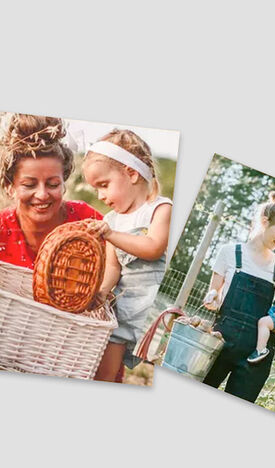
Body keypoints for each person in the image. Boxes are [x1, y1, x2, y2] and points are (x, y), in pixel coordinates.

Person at [0, 114, 107, 317]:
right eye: (29, 185)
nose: (42, 194)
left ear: (64, 183)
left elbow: (121, 264)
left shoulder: (87, 220)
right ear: (9, 187)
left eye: (53, 184)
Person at [81, 129, 172, 382]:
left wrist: (111, 235)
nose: (100, 196)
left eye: (104, 185)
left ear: (131, 173)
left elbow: (153, 247)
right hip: (122, 312)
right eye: (95, 189)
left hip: (152, 314)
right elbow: (113, 267)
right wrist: (101, 292)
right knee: (104, 375)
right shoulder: (112, 221)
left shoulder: (160, 209)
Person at [201, 191, 275, 402]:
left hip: (257, 353)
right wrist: (212, 298)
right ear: (265, 221)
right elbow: (215, 292)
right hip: (221, 342)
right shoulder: (229, 253)